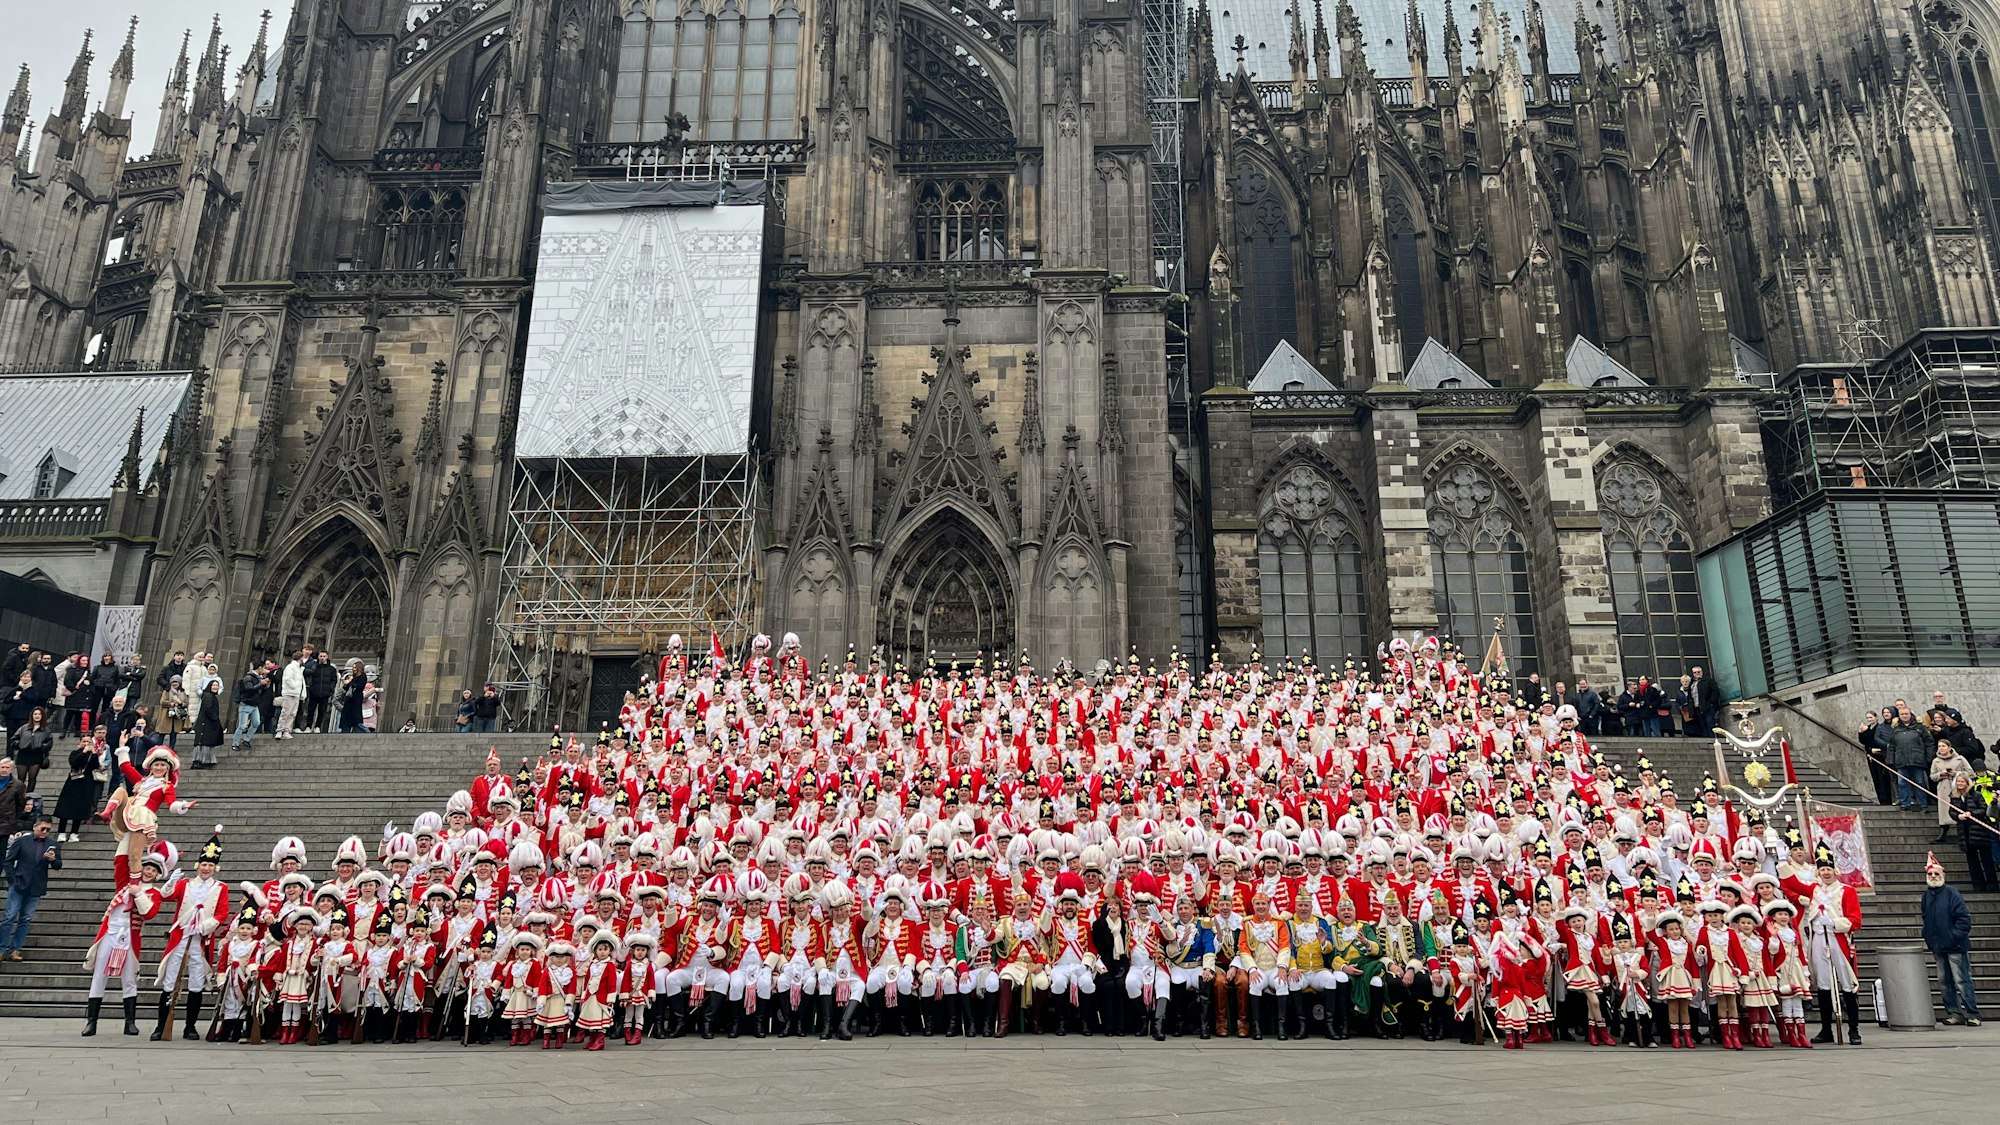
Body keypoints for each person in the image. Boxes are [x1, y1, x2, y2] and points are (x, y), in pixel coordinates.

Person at [1920, 852, 1980, 1026]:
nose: (1933, 877)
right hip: (1938, 946)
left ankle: (1972, 1013)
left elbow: (1964, 919)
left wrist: (1953, 936)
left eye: (1936, 874)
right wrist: (1929, 937)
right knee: (1944, 982)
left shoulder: (1952, 893)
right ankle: (1954, 1012)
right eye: (1930, 874)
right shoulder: (1927, 895)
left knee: (1962, 980)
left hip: (1955, 946)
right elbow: (1925, 917)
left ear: (1943, 875)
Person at [0, 812, 60, 960]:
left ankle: (16, 949)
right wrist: (12, 879)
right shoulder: (23, 841)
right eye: (43, 829)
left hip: (36, 886)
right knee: (9, 917)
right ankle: (1, 948)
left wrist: (53, 860)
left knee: (25, 919)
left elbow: (58, 865)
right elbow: (8, 861)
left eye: (48, 830)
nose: (45, 832)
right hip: (19, 884)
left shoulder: (52, 845)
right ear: (35, 827)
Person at [1885, 702, 1935, 810]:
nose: (1904, 716)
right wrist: (1890, 760)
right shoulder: (1896, 730)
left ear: (1910, 714)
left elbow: (1929, 743)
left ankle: (1923, 804)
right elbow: (1891, 746)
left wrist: (1929, 757)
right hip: (1901, 761)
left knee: (1920, 782)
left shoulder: (1920, 728)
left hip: (1917, 760)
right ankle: (1905, 804)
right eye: (1902, 714)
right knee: (1902, 783)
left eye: (1906, 713)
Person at [54, 738, 101, 841]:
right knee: (66, 807)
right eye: (84, 741)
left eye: (88, 742)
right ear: (80, 743)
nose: (86, 743)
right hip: (73, 782)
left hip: (86, 782)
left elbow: (95, 766)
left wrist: (94, 754)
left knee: (80, 807)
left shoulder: (92, 754)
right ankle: (61, 832)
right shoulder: (75, 753)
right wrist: (84, 752)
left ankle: (74, 832)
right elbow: (74, 763)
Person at [1930, 741, 1976, 843]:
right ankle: (1943, 833)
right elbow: (1932, 776)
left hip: (1958, 787)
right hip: (1943, 788)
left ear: (1949, 747)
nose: (1941, 748)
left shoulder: (1960, 759)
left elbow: (1971, 773)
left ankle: (1963, 834)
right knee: (1944, 811)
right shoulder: (1935, 761)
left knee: (1959, 809)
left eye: (1943, 746)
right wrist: (1941, 774)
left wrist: (1957, 773)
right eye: (1939, 746)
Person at [10, 705, 53, 795]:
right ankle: (20, 795)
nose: (37, 716)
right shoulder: (24, 728)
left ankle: (29, 795)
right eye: (35, 714)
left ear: (42, 716)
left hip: (36, 756)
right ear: (32, 715)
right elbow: (13, 739)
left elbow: (49, 743)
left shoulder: (46, 730)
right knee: (21, 778)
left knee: (32, 778)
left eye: (39, 714)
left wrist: (40, 746)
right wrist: (20, 744)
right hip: (23, 754)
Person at [1859, 709, 1895, 807]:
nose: (1869, 719)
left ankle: (1887, 799)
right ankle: (1881, 799)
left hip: (1880, 755)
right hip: (1871, 755)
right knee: (1876, 778)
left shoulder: (1879, 727)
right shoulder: (1868, 728)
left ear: (1876, 717)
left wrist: (1867, 731)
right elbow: (1864, 741)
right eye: (1867, 718)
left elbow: (1875, 738)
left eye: (1871, 717)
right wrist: (1861, 732)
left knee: (1883, 777)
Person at [188, 680, 225, 770]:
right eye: (213, 685)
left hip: (207, 723)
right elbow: (207, 708)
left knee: (205, 742)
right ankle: (202, 760)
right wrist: (214, 717)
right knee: (204, 742)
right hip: (207, 723)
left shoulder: (209, 696)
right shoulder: (208, 696)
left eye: (217, 685)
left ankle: (202, 760)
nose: (215, 687)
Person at [304, 650, 339, 734]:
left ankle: (318, 726)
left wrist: (330, 689)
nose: (322, 658)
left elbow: (334, 680)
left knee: (322, 711)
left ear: (327, 657)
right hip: (314, 691)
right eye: (321, 656)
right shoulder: (314, 667)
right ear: (318, 657)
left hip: (325, 692)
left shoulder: (331, 669)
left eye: (324, 656)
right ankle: (308, 726)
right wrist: (311, 687)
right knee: (311, 710)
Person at [232, 667, 266, 752]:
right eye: (263, 668)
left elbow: (259, 691)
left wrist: (264, 685)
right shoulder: (248, 677)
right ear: (260, 668)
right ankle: (235, 744)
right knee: (242, 725)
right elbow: (249, 689)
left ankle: (246, 740)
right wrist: (261, 684)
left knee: (256, 723)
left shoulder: (259, 678)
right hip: (246, 704)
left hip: (254, 705)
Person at [275, 650, 306, 740]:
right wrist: (295, 686)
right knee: (285, 712)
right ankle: (280, 730)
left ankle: (286, 730)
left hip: (296, 694)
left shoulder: (299, 669)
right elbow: (288, 679)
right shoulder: (290, 667)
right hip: (289, 693)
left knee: (292, 713)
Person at [337, 660, 368, 734]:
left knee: (356, 719)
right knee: (346, 719)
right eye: (353, 667)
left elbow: (360, 686)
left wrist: (351, 683)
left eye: (355, 667)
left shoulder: (362, 676)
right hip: (349, 700)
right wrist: (345, 684)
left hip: (356, 699)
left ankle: (365, 732)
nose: (353, 669)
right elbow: (347, 688)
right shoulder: (353, 677)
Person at [0, 757, 26, 842]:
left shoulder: (18, 785)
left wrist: (12, 818)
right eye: (2, 767)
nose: (4, 770)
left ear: (11, 770)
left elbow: (21, 804)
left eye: (7, 767)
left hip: (6, 823)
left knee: (2, 852)